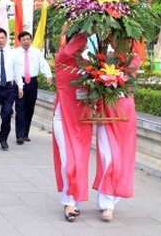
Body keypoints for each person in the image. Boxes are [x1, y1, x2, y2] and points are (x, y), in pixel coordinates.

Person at [91, 40, 142, 222]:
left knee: (121, 158)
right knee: (108, 157)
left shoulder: (134, 59)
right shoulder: (103, 58)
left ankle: (109, 198)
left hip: (125, 112)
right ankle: (107, 203)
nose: (119, 41)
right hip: (106, 111)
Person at [52, 29, 92, 222]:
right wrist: (89, 23)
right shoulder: (62, 58)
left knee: (80, 161)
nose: (81, 46)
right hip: (63, 118)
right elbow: (69, 51)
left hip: (82, 120)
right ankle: (68, 201)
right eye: (78, 42)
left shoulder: (88, 65)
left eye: (83, 44)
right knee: (68, 161)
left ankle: (75, 199)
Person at [13, 31, 52, 144]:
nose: (26, 41)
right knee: (20, 108)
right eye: (23, 39)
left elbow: (43, 64)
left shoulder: (36, 52)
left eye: (28, 39)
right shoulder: (14, 53)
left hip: (32, 83)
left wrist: (48, 75)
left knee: (29, 109)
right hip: (19, 82)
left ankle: (25, 133)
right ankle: (19, 135)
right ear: (20, 41)